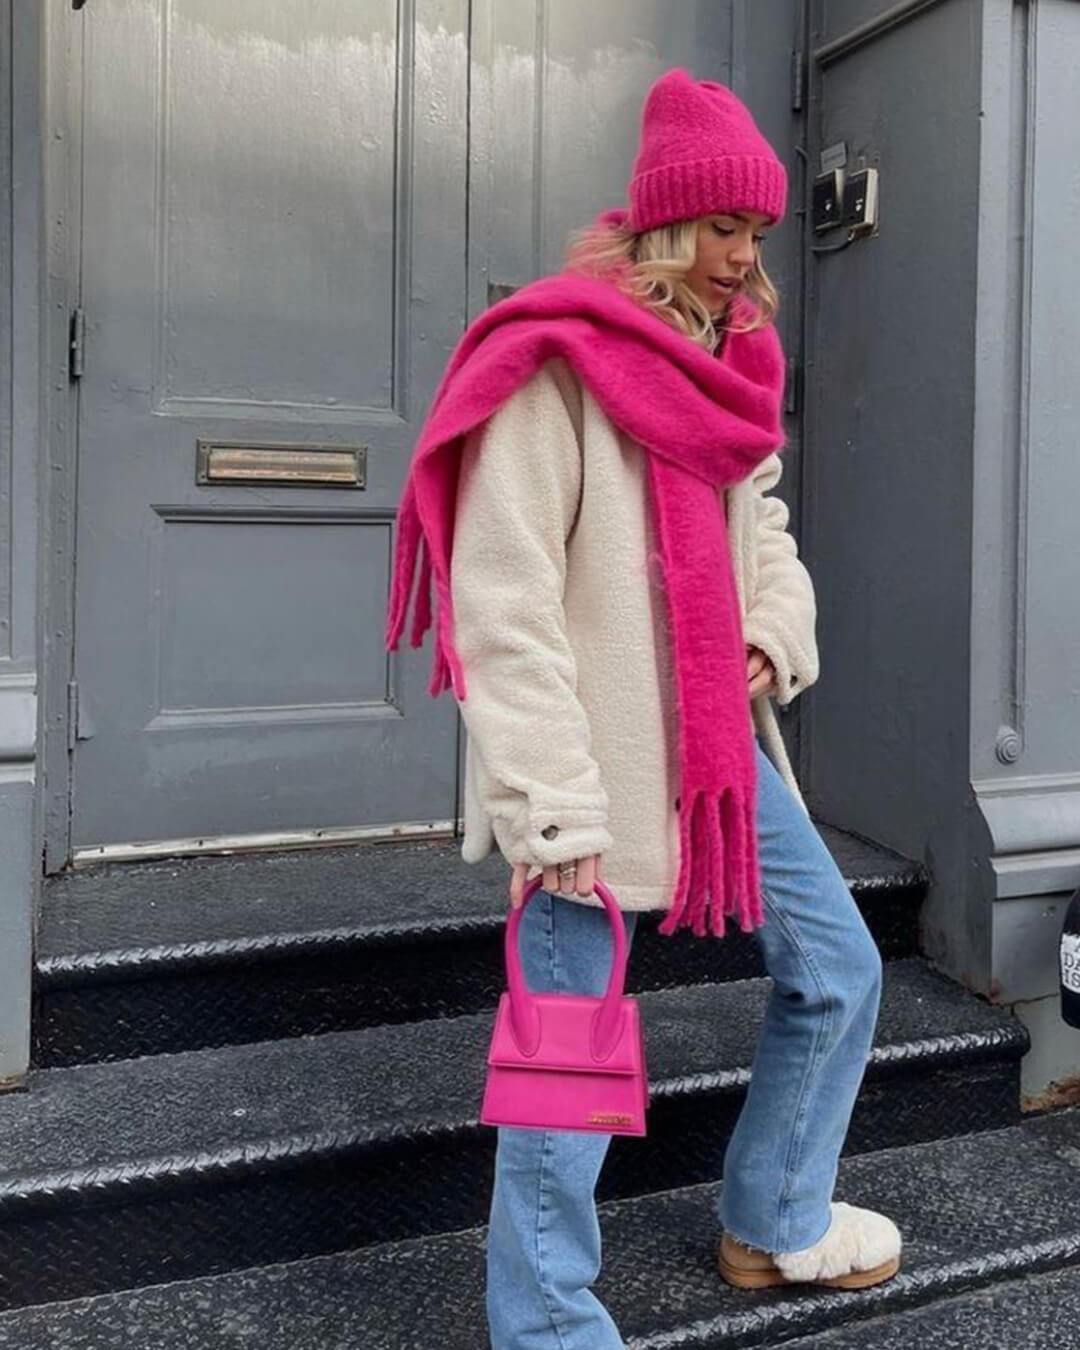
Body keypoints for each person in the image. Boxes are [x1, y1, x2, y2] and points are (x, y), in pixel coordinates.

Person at [386, 66, 902, 1350]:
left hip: (716, 754)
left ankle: (774, 1217)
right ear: (667, 223)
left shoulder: (731, 366)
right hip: (591, 765)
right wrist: (550, 809)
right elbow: (502, 603)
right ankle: (546, 1323)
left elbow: (762, 526)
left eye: (757, 231)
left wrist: (769, 636)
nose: (744, 257)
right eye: (723, 227)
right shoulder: (554, 365)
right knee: (565, 1066)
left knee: (838, 968)